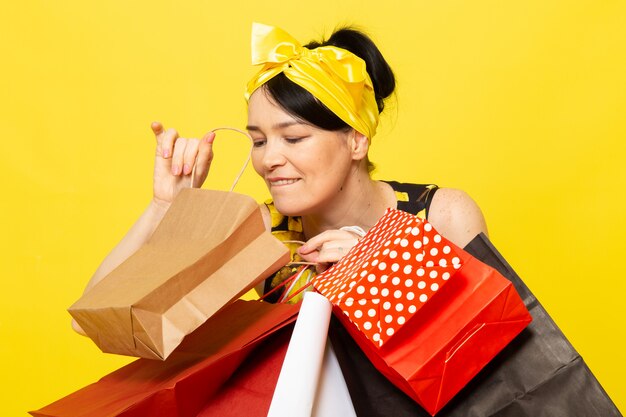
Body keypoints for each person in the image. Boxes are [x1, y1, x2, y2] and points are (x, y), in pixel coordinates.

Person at [73, 23, 487, 333]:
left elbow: (499, 350)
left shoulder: (443, 216)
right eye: (258, 141)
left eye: (292, 137)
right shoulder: (260, 235)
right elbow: (96, 317)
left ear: (356, 140)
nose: (269, 159)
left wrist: (382, 272)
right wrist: (164, 210)